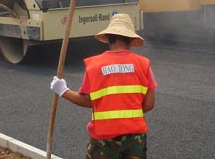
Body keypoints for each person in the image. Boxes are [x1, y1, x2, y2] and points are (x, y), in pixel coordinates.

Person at [50, 13, 157, 159]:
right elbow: (149, 104)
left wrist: (63, 91)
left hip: (104, 138)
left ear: (108, 38)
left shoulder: (95, 65)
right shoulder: (143, 64)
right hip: (135, 138)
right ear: (131, 40)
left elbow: (87, 100)